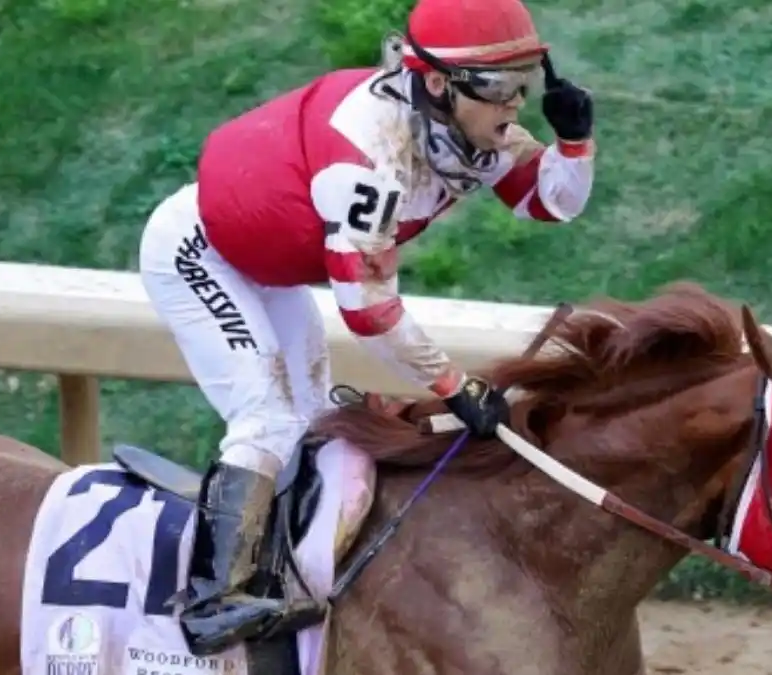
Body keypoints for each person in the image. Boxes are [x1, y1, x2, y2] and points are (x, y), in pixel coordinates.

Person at [136, 0, 595, 655]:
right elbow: (369, 308)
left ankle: (281, 565)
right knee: (265, 413)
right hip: (200, 252)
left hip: (268, 267)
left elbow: (550, 201)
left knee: (314, 416)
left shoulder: (461, 120)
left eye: (524, 80)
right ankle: (215, 598)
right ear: (438, 83)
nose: (516, 103)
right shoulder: (369, 154)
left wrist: (576, 142)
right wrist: (453, 384)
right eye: (500, 87)